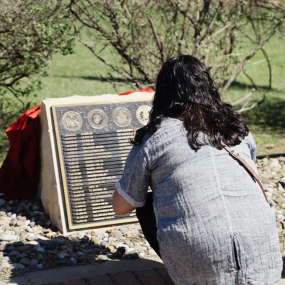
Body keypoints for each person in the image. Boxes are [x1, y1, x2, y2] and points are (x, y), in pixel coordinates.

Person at [112, 55, 283, 285]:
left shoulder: (154, 137)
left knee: (145, 204)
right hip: (262, 254)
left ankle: (195, 270)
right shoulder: (238, 130)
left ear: (163, 93)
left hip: (201, 256)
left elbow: (121, 206)